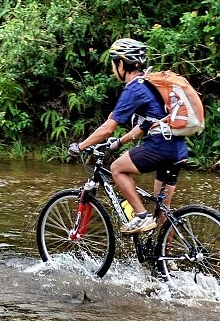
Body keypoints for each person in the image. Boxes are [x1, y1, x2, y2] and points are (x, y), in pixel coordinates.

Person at [68, 38, 188, 234]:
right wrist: (118, 142)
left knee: (117, 169)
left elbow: (108, 128)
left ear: (121, 64)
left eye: (114, 63)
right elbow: (143, 127)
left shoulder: (135, 87)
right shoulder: (152, 85)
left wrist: (80, 146)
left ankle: (141, 215)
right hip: (177, 150)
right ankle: (166, 262)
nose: (113, 69)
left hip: (160, 147)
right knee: (163, 211)